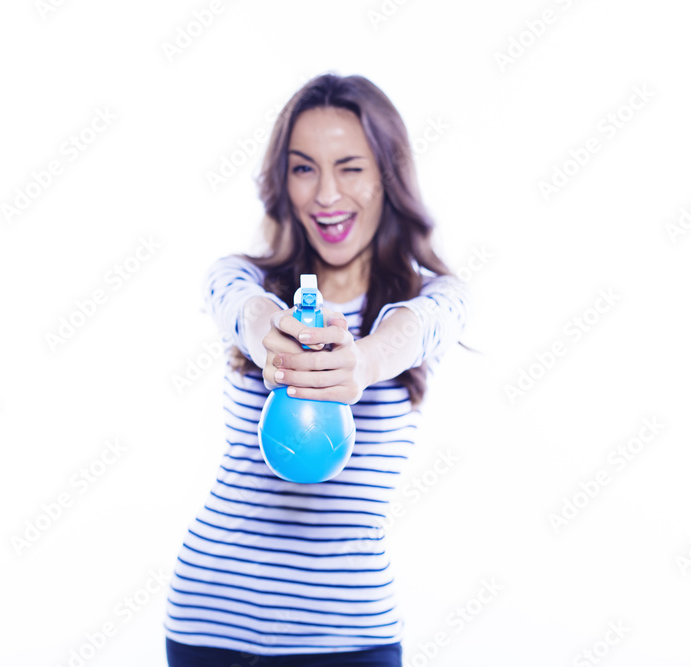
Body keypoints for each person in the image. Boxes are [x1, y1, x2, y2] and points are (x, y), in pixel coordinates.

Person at [164, 72, 470, 667]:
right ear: (284, 182)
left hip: (348, 638)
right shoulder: (246, 280)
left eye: (351, 167)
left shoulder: (433, 298)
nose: (326, 194)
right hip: (209, 622)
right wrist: (268, 334)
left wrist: (365, 361)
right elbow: (236, 305)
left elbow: (426, 323)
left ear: (388, 174)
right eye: (304, 168)